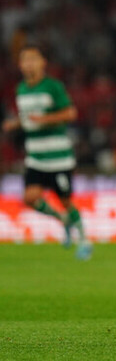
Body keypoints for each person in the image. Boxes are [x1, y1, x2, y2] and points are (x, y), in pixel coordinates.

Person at [2, 44, 92, 260]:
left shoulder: (53, 86)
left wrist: (44, 120)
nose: (29, 64)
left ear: (43, 63)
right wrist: (15, 124)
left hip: (58, 157)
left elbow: (70, 113)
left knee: (66, 200)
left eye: (33, 59)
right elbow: (28, 118)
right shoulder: (21, 89)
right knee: (30, 197)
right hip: (35, 156)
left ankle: (84, 240)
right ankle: (62, 220)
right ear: (20, 65)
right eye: (25, 60)